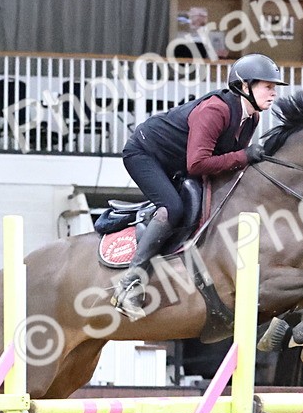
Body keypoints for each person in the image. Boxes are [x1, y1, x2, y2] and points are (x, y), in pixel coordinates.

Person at [112, 53, 287, 318]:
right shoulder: (215, 110)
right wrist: (245, 156)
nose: (273, 93)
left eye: (274, 87)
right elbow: (198, 164)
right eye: (268, 86)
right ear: (244, 86)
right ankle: (129, 283)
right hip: (145, 153)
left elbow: (228, 165)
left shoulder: (251, 118)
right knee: (172, 208)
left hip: (177, 160)